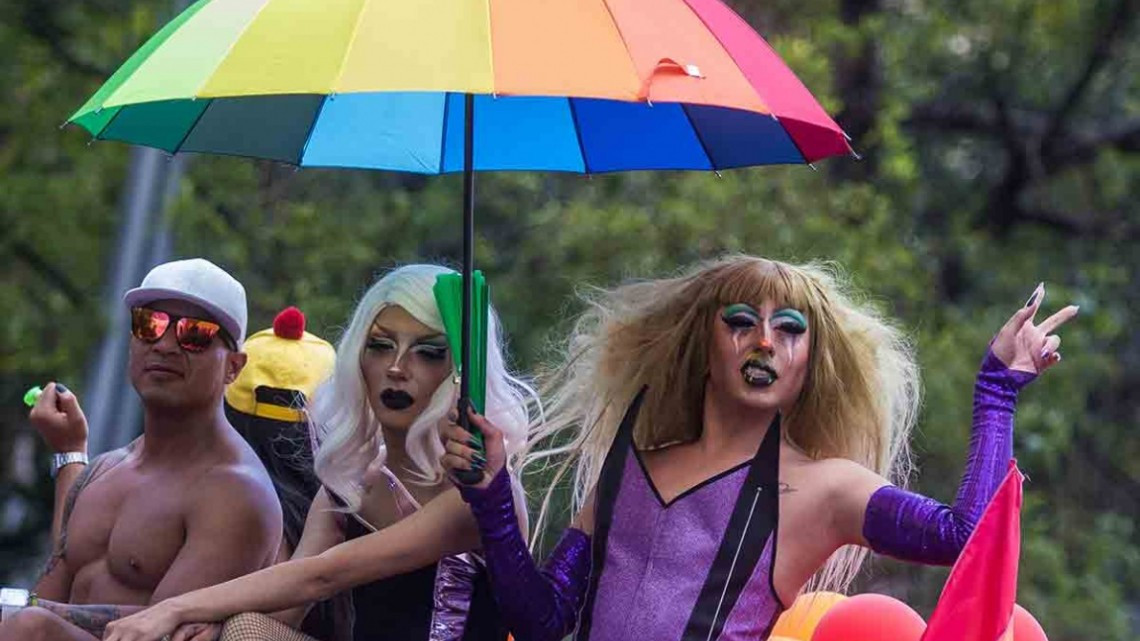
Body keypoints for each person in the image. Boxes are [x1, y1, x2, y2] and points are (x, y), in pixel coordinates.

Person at [440, 255, 1078, 641]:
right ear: (704, 346)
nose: (764, 342)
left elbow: (965, 537)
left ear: (810, 362)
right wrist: (492, 495)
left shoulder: (822, 489)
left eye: (789, 329)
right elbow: (544, 619)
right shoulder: (631, 468)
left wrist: (996, 393)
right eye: (741, 322)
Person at [102, 264, 539, 641]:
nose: (397, 368)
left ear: (458, 373)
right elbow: (284, 605)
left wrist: (176, 608)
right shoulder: (349, 486)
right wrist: (206, 626)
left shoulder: (477, 496)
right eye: (381, 345)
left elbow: (325, 574)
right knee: (240, 630)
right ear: (357, 358)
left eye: (428, 352)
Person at [0, 258, 283, 641]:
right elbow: (42, 599)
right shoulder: (104, 470)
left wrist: (24, 612)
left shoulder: (235, 493)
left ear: (233, 367)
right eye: (149, 325)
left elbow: (160, 630)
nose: (165, 345)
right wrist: (69, 451)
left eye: (194, 334)